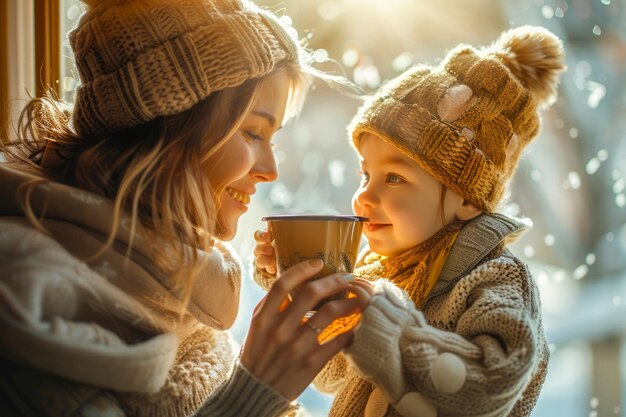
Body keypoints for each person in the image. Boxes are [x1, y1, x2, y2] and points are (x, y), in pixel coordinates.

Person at [0, 0, 364, 416]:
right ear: (168, 131)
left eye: (273, 139)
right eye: (251, 133)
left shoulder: (170, 282)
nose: (271, 171)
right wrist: (259, 389)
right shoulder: (30, 307)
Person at [253, 25, 566, 416]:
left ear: (467, 198)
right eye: (364, 175)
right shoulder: (379, 270)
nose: (364, 196)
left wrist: (385, 326)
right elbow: (330, 374)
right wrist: (301, 285)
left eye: (395, 178)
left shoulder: (497, 278)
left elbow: (494, 380)